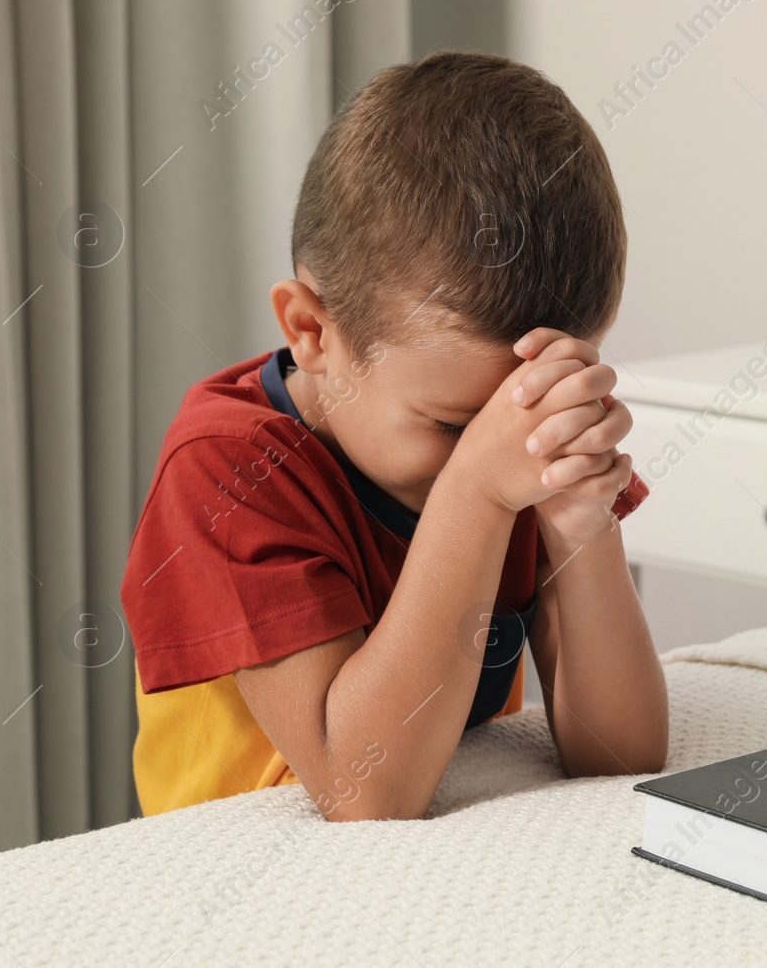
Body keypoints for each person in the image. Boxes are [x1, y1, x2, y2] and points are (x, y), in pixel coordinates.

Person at [120, 51, 668, 819]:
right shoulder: (226, 469)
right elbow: (361, 791)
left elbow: (621, 757)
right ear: (312, 331)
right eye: (454, 426)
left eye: (523, 413)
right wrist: (476, 489)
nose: (504, 445)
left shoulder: (508, 438)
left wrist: (580, 526)